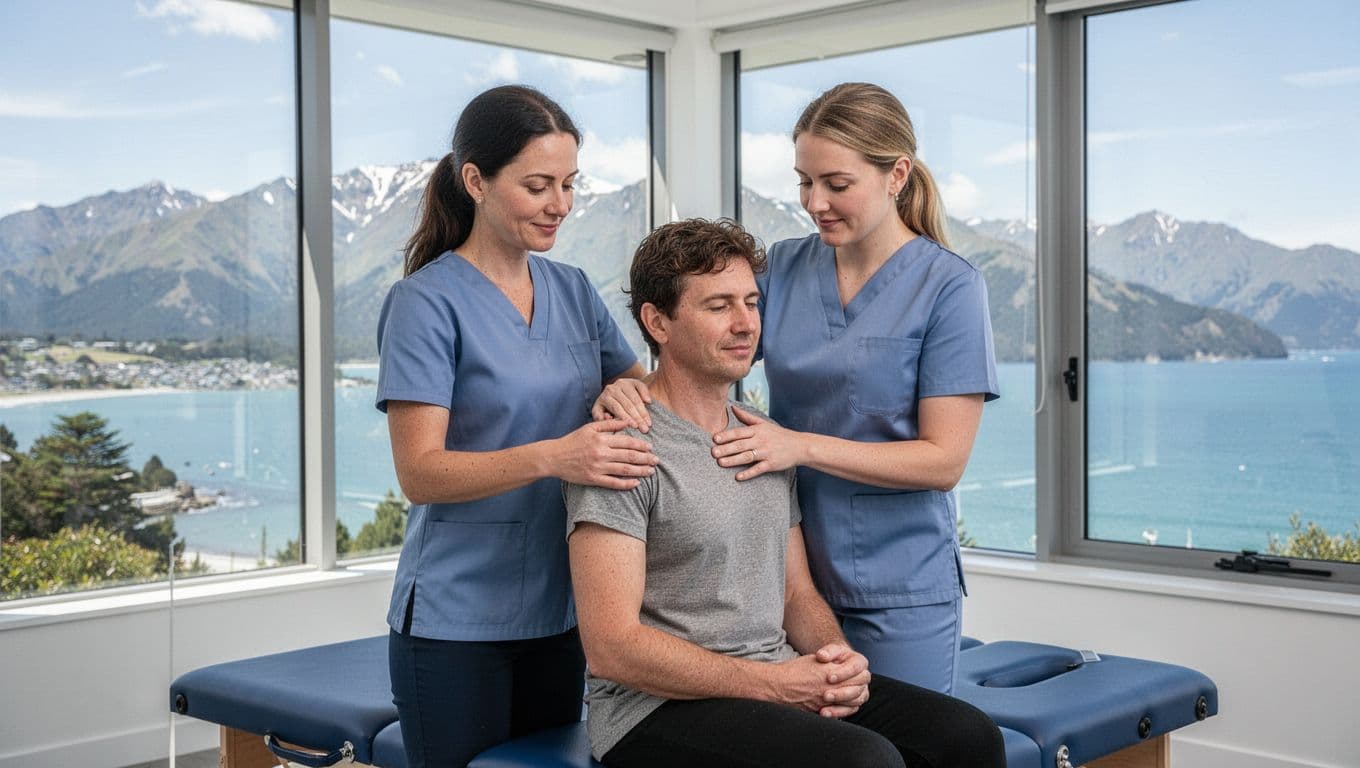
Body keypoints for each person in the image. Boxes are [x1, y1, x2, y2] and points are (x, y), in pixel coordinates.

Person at [595, 83, 998, 695]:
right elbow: (698, 343)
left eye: (836, 184)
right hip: (782, 582)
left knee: (908, 747)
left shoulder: (950, 288)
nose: (815, 202)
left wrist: (800, 446)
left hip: (899, 581)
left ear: (897, 175)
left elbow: (944, 460)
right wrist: (626, 391)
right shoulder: (782, 267)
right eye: (804, 182)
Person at [566, 218, 1006, 768]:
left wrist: (834, 658)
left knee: (967, 736)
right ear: (658, 321)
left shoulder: (764, 439)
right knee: (863, 762)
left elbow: (797, 595)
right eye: (718, 306)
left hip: (769, 674)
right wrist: (772, 684)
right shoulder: (622, 448)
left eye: (752, 302)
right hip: (653, 708)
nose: (745, 323)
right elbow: (613, 648)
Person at [376, 85, 657, 768]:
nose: (559, 204)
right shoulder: (425, 303)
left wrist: (623, 394)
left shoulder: (573, 289)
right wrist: (556, 457)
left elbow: (637, 381)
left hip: (562, 613)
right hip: (454, 622)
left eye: (568, 184)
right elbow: (420, 473)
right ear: (475, 180)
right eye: (538, 185)